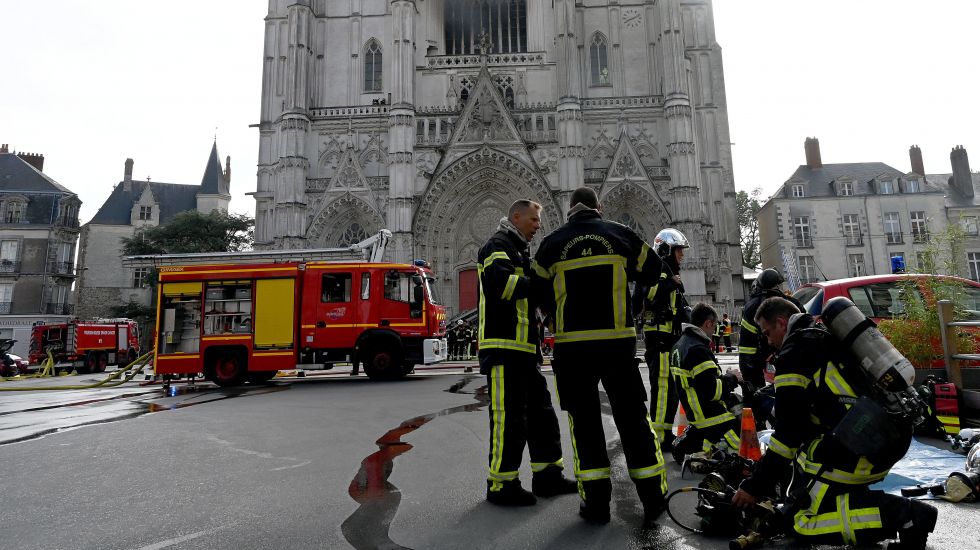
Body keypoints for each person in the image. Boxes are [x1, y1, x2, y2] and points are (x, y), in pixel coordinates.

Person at [732, 297, 937, 549]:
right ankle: (862, 508)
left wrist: (754, 487)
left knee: (803, 522)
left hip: (865, 447)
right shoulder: (823, 337)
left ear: (781, 323)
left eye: (767, 333)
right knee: (808, 467)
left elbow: (788, 435)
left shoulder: (793, 353)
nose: (768, 341)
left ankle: (906, 515)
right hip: (881, 437)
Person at [532, 187, 667, 525]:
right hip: (617, 345)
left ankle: (595, 505)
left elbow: (535, 289)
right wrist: (631, 301)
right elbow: (655, 270)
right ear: (599, 207)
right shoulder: (620, 234)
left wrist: (554, 318)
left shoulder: (551, 243)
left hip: (572, 348)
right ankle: (652, 499)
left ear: (570, 208)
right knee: (634, 421)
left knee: (585, 427)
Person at [478, 199, 576, 506]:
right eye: (533, 219)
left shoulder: (519, 250)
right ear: (516, 217)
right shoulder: (497, 245)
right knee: (508, 420)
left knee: (542, 415)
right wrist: (541, 284)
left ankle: (548, 476)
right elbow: (501, 285)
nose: (538, 225)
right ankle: (501, 485)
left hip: (525, 350)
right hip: (504, 348)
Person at [636, 228, 689, 447]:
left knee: (671, 389)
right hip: (660, 338)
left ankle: (666, 433)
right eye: (678, 250)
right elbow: (646, 295)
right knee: (663, 387)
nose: (682, 255)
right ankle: (658, 436)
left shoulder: (669, 271)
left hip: (670, 338)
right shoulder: (657, 268)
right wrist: (670, 283)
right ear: (666, 250)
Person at [669, 303, 740, 463]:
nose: (714, 331)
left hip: (696, 414)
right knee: (745, 444)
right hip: (711, 416)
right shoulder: (697, 349)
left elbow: (700, 381)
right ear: (708, 323)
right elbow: (711, 391)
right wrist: (733, 378)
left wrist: (725, 376)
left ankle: (699, 449)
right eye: (714, 326)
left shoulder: (679, 346)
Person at [737, 268, 802, 428]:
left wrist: (750, 376)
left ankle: (759, 426)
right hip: (787, 355)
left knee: (756, 399)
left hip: (756, 359)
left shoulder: (752, 307)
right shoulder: (791, 303)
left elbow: (746, 345)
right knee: (787, 393)